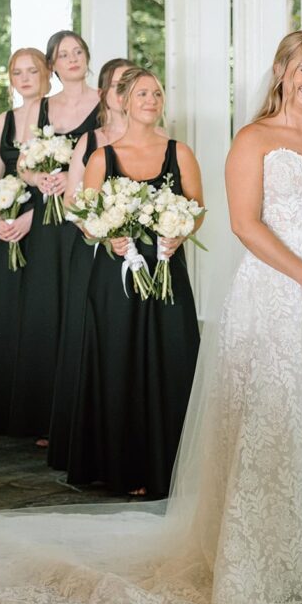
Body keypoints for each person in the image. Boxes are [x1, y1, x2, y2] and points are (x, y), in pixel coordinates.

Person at [0, 29, 302, 604]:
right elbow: (243, 222)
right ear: (282, 73)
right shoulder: (254, 138)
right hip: (281, 290)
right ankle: (275, 551)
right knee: (278, 413)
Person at [66, 67, 200, 497]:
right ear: (123, 101)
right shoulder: (101, 157)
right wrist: (109, 235)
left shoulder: (180, 152)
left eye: (157, 93)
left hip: (166, 273)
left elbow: (197, 209)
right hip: (117, 277)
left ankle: (172, 467)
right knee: (119, 362)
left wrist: (179, 231)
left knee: (171, 359)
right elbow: (87, 222)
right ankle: (123, 467)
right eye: (142, 93)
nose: (151, 99)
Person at [47, 58, 136, 471]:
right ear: (105, 93)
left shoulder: (162, 139)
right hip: (97, 251)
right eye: (119, 85)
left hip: (145, 255)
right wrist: (104, 231)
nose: (128, 91)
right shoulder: (91, 140)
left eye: (133, 83)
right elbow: (73, 201)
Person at [13, 31, 99, 444]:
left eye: (77, 52)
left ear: (86, 57)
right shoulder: (42, 107)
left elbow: (112, 151)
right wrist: (41, 176)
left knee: (82, 304)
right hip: (49, 219)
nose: (72, 59)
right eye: (63, 55)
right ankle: (49, 418)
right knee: (50, 306)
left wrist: (74, 176)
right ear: (54, 65)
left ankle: (82, 415)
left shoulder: (104, 101)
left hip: (84, 217)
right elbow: (24, 162)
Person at [0, 49, 49, 433]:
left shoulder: (57, 116)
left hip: (42, 220)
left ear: (47, 74)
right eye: (17, 72)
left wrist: (31, 218)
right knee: (3, 309)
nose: (25, 78)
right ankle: (0, 411)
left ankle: (38, 414)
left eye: (33, 70)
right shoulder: (5, 119)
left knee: (37, 312)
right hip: (2, 221)